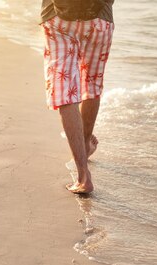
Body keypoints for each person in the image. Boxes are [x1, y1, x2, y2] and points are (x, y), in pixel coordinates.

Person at [40, 0, 115, 194]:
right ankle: (85, 144)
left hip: (57, 19)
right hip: (100, 20)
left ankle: (83, 176)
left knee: (65, 92)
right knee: (92, 83)